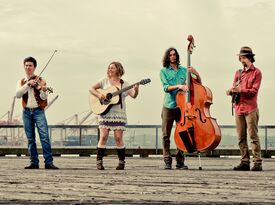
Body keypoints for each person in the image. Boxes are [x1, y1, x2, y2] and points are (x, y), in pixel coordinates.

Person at [89, 61, 139, 170]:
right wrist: (100, 95)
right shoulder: (104, 81)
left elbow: (134, 95)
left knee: (118, 138)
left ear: (118, 69)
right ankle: (99, 161)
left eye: (112, 68)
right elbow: (91, 89)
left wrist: (136, 89)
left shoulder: (124, 84)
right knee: (103, 136)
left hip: (119, 114)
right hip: (105, 113)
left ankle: (121, 162)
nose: (110, 70)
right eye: (109, 68)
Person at [160, 47, 201, 170]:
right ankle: (167, 160)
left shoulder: (184, 70)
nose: (173, 56)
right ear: (167, 57)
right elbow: (166, 88)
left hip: (183, 106)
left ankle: (180, 161)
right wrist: (179, 86)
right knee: (166, 134)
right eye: (170, 55)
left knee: (183, 132)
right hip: (169, 105)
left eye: (175, 54)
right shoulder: (164, 71)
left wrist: (196, 73)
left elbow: (198, 84)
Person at [16, 56, 58, 169]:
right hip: (26, 112)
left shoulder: (41, 81)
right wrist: (28, 84)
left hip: (38, 111)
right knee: (30, 138)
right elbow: (18, 95)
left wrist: (42, 89)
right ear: (24, 67)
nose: (28, 67)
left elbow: (44, 97)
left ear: (34, 67)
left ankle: (49, 162)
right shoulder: (21, 81)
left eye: (30, 65)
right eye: (26, 65)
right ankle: (34, 162)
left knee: (44, 136)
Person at [226, 46, 262, 171]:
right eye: (240, 57)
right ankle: (245, 161)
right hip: (238, 108)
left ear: (249, 58)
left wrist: (240, 90)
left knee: (253, 136)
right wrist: (231, 91)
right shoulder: (238, 73)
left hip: (251, 108)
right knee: (241, 137)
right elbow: (234, 87)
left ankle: (257, 162)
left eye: (243, 57)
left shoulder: (257, 72)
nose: (241, 59)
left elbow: (254, 91)